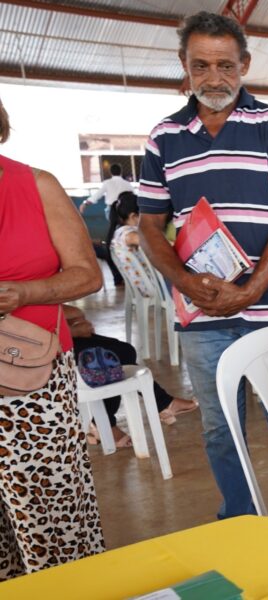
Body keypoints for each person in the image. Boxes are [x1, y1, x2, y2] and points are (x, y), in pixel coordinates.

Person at [137, 11, 268, 519]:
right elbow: (150, 225)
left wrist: (253, 289)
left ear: (245, 65)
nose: (215, 78)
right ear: (184, 66)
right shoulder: (164, 136)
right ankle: (240, 519)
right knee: (218, 426)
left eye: (226, 66)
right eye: (202, 65)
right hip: (203, 312)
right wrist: (188, 282)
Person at [0, 97, 105, 579]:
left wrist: (23, 291)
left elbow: (86, 275)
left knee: (50, 515)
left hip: (30, 378)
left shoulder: (34, 185)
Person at [68, 305, 198, 447]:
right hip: (46, 347)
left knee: (123, 350)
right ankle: (103, 422)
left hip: (53, 333)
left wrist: (75, 319)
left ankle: (163, 403)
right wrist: (71, 329)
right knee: (115, 356)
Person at [81, 163, 136, 288]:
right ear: (120, 171)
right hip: (124, 212)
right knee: (122, 236)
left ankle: (120, 276)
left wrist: (86, 203)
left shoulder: (107, 183)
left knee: (116, 237)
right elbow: (132, 200)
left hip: (113, 212)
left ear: (111, 172)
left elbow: (97, 195)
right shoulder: (127, 184)